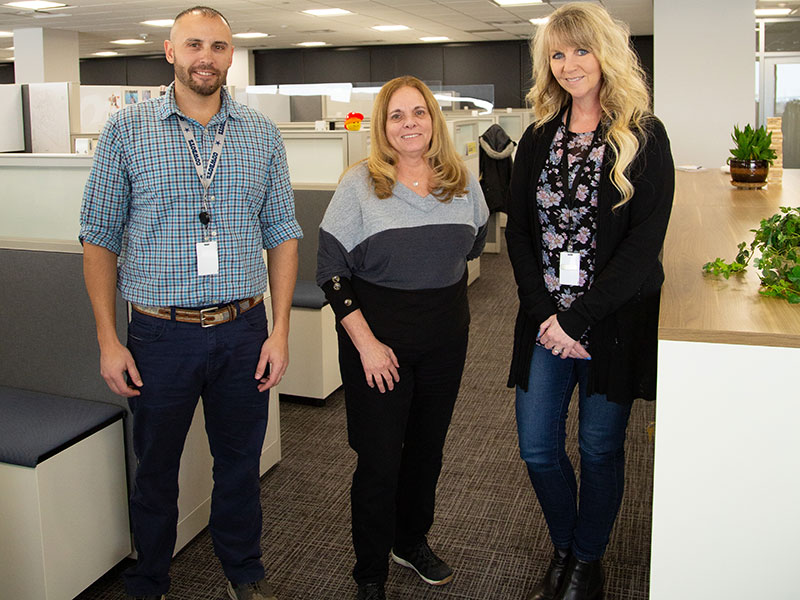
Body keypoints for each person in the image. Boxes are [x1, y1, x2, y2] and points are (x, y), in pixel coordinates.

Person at [80, 6, 301, 600]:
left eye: (220, 46)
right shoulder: (127, 131)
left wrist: (279, 330)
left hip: (242, 329)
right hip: (159, 335)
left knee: (239, 465)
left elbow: (281, 233)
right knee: (155, 470)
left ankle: (243, 572)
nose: (207, 57)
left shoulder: (260, 133)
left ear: (232, 55)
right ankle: (148, 579)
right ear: (171, 52)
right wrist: (109, 339)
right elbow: (98, 238)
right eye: (194, 44)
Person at [505, 4, 674, 600]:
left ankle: (586, 559)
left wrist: (579, 317)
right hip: (545, 324)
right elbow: (518, 232)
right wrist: (545, 314)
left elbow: (642, 249)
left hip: (609, 323)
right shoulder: (538, 136)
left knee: (600, 448)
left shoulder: (644, 138)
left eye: (581, 50)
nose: (570, 64)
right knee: (538, 449)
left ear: (605, 53)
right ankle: (565, 542)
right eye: (557, 53)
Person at [316, 76, 489, 600]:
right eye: (396, 115)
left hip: (444, 342)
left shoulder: (462, 181)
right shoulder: (359, 185)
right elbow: (330, 270)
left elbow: (473, 246)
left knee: (427, 452)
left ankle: (410, 542)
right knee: (380, 459)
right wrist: (366, 343)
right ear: (382, 128)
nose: (409, 123)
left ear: (433, 120)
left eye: (418, 112)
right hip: (378, 346)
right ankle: (370, 573)